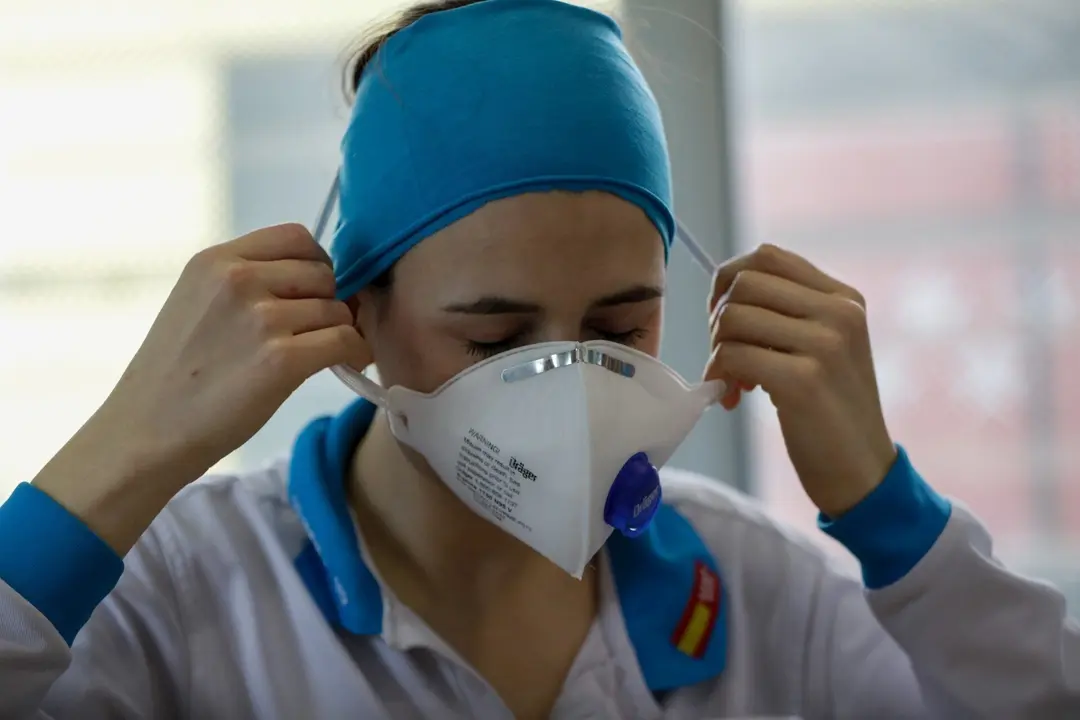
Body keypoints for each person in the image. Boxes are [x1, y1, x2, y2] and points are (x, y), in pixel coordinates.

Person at [1, 0, 1077, 718]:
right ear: (354, 313)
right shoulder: (187, 594)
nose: (565, 393)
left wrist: (886, 510)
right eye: (494, 338)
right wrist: (124, 453)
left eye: (618, 331)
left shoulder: (752, 590)